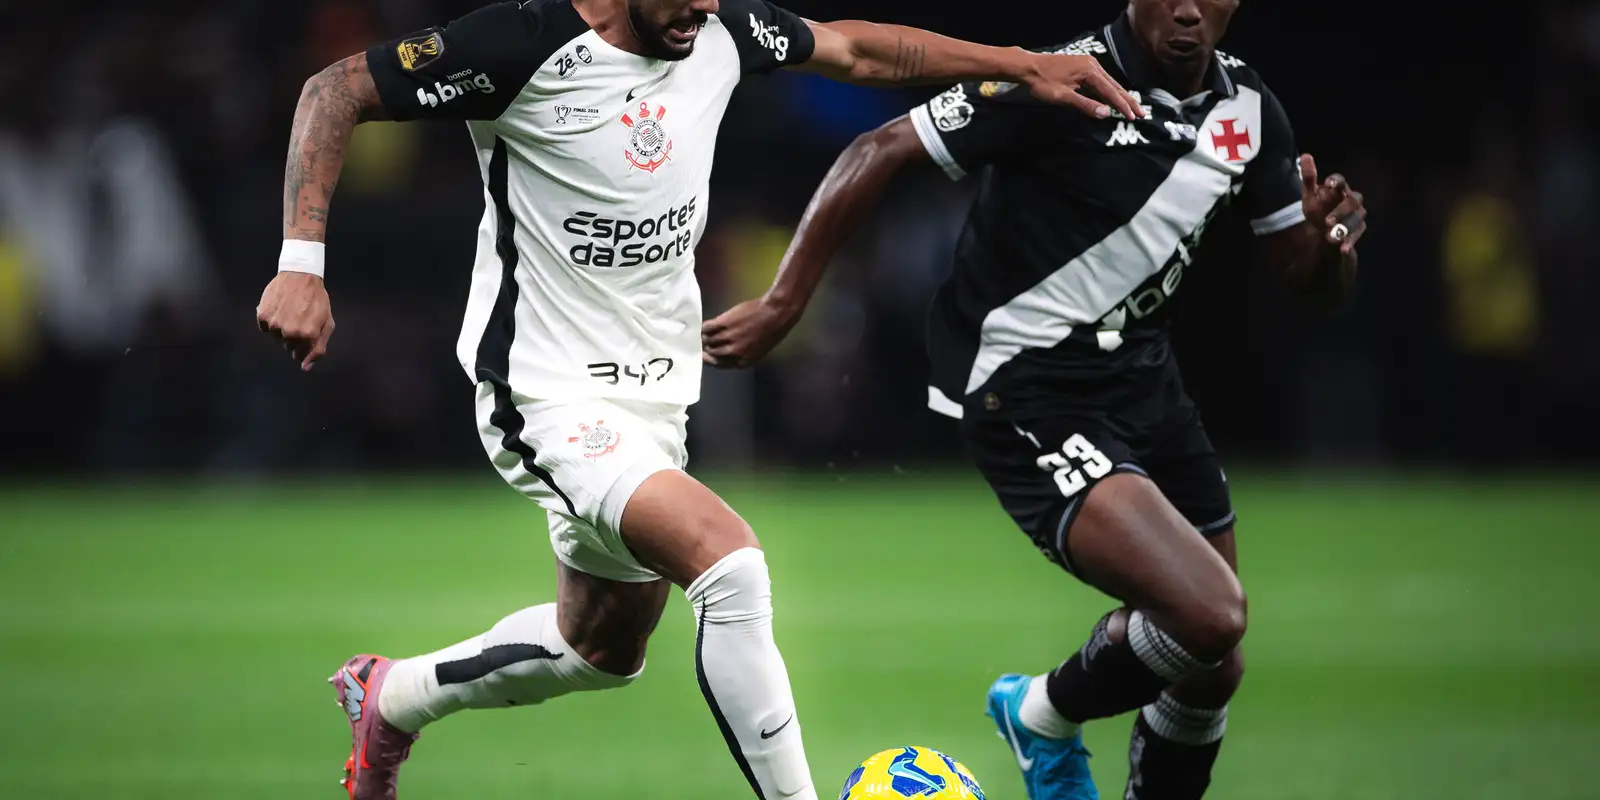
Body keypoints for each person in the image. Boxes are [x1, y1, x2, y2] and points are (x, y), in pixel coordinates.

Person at [254, 0, 1140, 797]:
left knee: (600, 649)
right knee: (730, 562)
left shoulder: (715, 28)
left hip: (654, 397)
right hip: (544, 390)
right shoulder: (519, 44)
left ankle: (390, 697)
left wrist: (1021, 62)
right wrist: (301, 263)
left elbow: (863, 51)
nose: (704, 7)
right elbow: (334, 92)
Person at [701, 2, 1368, 799]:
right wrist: (784, 302)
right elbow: (879, 146)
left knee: (1212, 662)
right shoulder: (1058, 81)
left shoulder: (1250, 110)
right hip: (1027, 387)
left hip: (1147, 387)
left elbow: (1306, 277)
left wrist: (1333, 247)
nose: (1189, 9)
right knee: (1211, 616)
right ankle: (1041, 713)